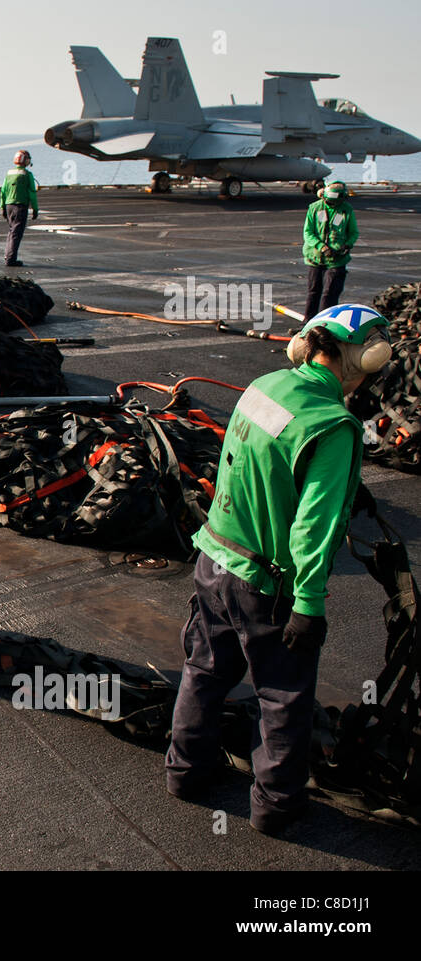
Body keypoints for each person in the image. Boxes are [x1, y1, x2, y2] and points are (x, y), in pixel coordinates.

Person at [165, 304, 393, 836]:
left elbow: (248, 466)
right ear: (361, 358)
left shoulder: (265, 385)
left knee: (204, 671)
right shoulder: (334, 426)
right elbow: (311, 531)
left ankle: (185, 772)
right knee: (283, 697)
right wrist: (308, 605)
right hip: (264, 584)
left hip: (213, 558)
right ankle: (276, 807)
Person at [302, 181, 359, 322]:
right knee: (313, 292)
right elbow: (308, 232)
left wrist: (347, 245)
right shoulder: (315, 208)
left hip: (336, 259)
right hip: (315, 257)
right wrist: (321, 247)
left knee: (330, 293)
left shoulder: (346, 210)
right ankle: (308, 322)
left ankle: (325, 323)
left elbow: (353, 232)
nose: (331, 205)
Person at [0, 149, 39, 267]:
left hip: (8, 206)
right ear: (25, 160)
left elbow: (3, 191)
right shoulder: (27, 175)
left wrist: (2, 206)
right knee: (16, 233)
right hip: (20, 206)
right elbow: (32, 193)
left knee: (11, 231)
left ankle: (8, 255)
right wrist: (35, 209)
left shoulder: (9, 173)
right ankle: (11, 260)